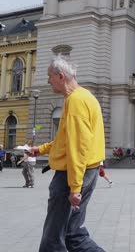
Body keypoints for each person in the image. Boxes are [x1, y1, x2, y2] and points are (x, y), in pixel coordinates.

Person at [29, 55, 105, 251]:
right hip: (90, 170)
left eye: (49, 76)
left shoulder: (75, 102)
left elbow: (78, 148)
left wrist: (75, 188)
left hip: (70, 176)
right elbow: (67, 139)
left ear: (61, 76)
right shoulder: (85, 96)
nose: (47, 81)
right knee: (73, 234)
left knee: (53, 239)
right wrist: (43, 149)